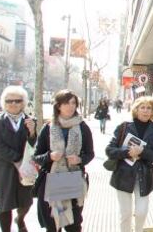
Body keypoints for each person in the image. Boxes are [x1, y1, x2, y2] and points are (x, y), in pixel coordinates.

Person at [34, 89, 94, 232]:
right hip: (51, 179)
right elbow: (36, 156)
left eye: (73, 103)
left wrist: (79, 159)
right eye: (66, 103)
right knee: (53, 224)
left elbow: (90, 154)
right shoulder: (48, 127)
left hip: (73, 179)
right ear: (58, 106)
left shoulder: (82, 127)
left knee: (73, 225)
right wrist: (50, 156)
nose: (70, 106)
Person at [106, 96, 153, 232]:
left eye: (149, 108)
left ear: (152, 111)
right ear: (136, 110)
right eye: (142, 107)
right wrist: (127, 152)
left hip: (144, 175)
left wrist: (143, 151)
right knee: (125, 213)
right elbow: (110, 150)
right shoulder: (124, 127)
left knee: (141, 212)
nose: (145, 111)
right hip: (123, 175)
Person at [0, 86, 37, 232]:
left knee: (26, 201)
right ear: (4, 102)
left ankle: (21, 219)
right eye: (9, 100)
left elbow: (35, 145)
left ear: (23, 103)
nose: (13, 104)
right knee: (5, 204)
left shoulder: (31, 121)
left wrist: (32, 133)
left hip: (26, 167)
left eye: (17, 100)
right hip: (3, 168)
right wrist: (17, 159)